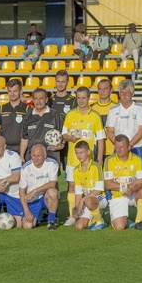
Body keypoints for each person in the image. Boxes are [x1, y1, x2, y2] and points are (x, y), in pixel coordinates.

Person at [61, 86, 106, 225]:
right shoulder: (70, 115)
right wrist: (70, 138)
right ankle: (73, 215)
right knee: (72, 187)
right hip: (73, 158)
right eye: (79, 98)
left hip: (89, 159)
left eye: (84, 98)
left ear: (88, 98)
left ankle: (94, 212)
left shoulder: (95, 116)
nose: (81, 101)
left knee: (91, 188)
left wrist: (99, 157)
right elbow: (64, 134)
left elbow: (100, 139)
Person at [104, 134, 142, 231]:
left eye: (121, 147)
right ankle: (124, 220)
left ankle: (139, 222)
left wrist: (132, 189)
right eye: (116, 147)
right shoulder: (109, 161)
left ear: (129, 147)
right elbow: (108, 184)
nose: (119, 149)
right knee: (119, 227)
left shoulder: (137, 159)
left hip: (132, 193)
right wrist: (127, 187)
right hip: (117, 196)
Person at [19, 143, 60, 230]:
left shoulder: (52, 164)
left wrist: (34, 191)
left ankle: (51, 221)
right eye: (34, 155)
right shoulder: (25, 168)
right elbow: (21, 191)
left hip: (45, 197)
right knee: (28, 226)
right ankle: (36, 218)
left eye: (39, 156)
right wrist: (26, 211)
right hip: (32, 201)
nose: (36, 158)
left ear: (45, 155)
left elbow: (52, 183)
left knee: (53, 192)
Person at [70, 140, 107, 231]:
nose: (79, 156)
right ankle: (95, 216)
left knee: (88, 201)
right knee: (79, 227)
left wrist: (83, 199)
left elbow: (99, 189)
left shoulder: (96, 167)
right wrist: (77, 208)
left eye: (81, 152)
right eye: (77, 153)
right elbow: (78, 192)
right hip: (87, 200)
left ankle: (100, 221)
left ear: (88, 152)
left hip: (100, 198)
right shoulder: (76, 170)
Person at [20, 88, 65, 163]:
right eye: (36, 99)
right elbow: (24, 139)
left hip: (51, 157)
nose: (38, 101)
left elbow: (63, 134)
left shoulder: (55, 115)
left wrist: (62, 144)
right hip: (32, 158)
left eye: (41, 98)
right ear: (33, 100)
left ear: (46, 100)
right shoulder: (28, 116)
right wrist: (21, 156)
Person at [105, 80, 142, 159]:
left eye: (127, 93)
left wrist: (129, 145)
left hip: (136, 147)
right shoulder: (113, 110)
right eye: (122, 93)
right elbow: (110, 131)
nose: (124, 95)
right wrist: (120, 146)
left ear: (133, 93)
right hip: (119, 149)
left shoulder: (140, 109)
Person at [0, 78, 31, 154]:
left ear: (20, 91)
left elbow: (30, 131)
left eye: (15, 91)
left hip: (22, 148)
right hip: (5, 148)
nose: (12, 94)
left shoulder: (27, 109)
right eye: (10, 91)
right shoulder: (1, 109)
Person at [91, 78, 116, 159]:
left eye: (105, 89)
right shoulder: (92, 108)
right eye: (100, 89)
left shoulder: (117, 108)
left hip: (113, 150)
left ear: (111, 90)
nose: (102, 91)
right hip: (95, 150)